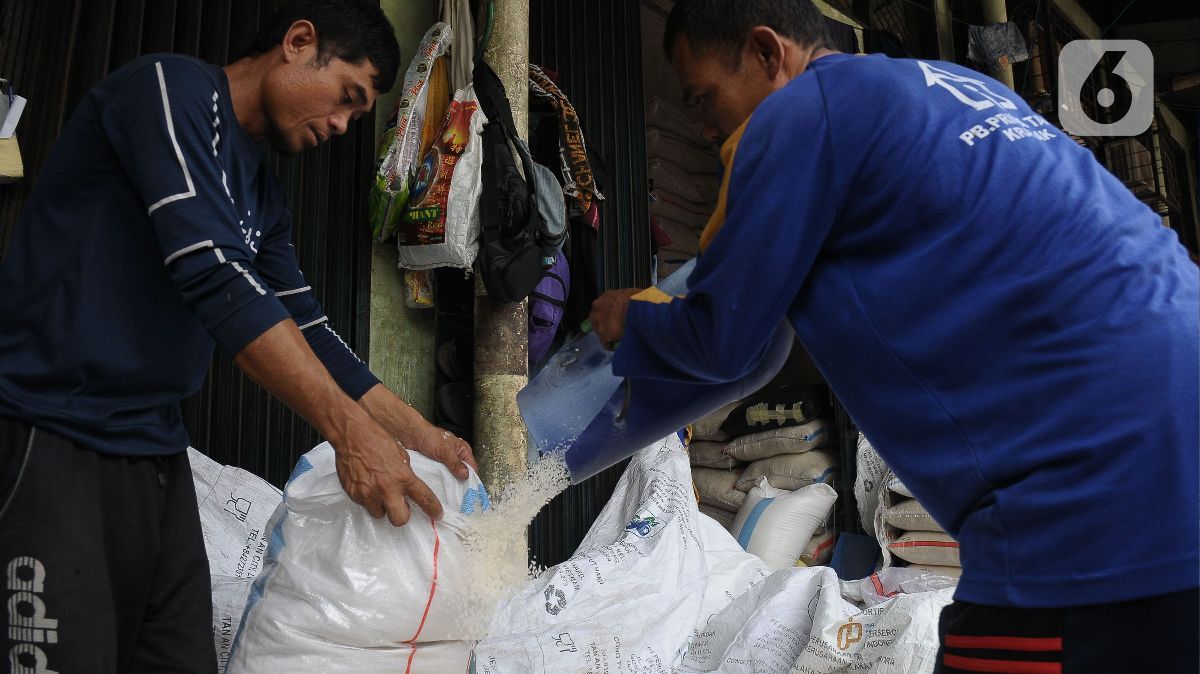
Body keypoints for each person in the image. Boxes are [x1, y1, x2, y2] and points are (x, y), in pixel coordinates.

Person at [590, 1, 1198, 671]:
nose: (702, 126)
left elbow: (721, 337)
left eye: (704, 98)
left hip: (1096, 492)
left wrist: (627, 318)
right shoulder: (957, 90)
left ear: (769, 53)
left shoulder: (799, 114)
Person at [0, 0, 476, 670]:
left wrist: (420, 435)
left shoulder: (262, 197)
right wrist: (348, 433)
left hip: (153, 450)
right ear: (298, 41)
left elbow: (310, 332)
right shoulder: (168, 93)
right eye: (346, 97)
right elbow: (212, 274)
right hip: (53, 433)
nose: (340, 125)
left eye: (354, 115)